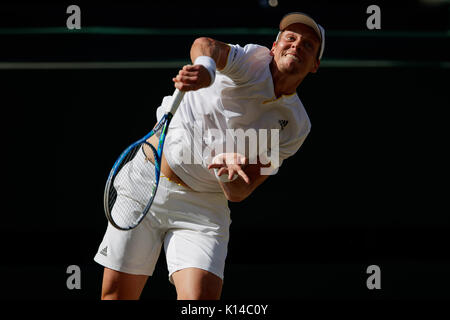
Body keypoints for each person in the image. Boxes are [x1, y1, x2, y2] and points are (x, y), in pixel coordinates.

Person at [94, 12, 325, 300]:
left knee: (200, 302)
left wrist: (227, 169)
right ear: (274, 47)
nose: (296, 46)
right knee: (117, 296)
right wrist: (206, 69)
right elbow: (206, 45)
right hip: (145, 186)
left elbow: (241, 191)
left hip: (203, 206)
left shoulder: (295, 127)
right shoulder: (253, 61)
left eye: (308, 45)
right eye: (290, 38)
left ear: (315, 64)